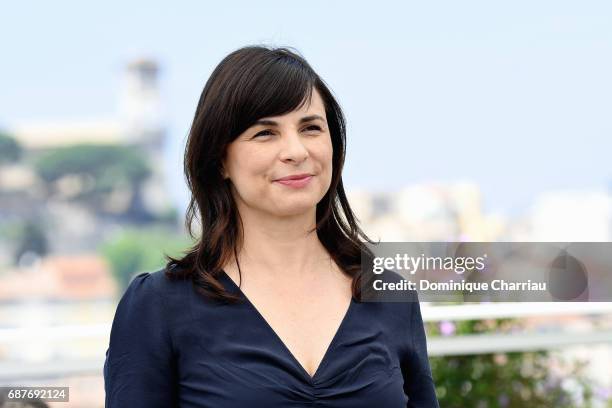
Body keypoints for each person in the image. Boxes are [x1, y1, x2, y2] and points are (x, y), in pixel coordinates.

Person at [103, 44, 439, 407]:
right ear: (220, 160)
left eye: (311, 128)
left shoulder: (388, 293)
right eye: (265, 133)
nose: (296, 151)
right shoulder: (158, 306)